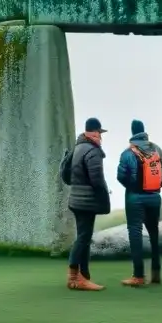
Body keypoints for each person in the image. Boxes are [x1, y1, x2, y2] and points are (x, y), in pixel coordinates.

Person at [116, 119, 162, 286]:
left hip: (135, 198)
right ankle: (156, 273)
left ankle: (138, 276)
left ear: (132, 133)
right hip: (154, 197)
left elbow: (120, 176)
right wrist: (155, 187)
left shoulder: (128, 153)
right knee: (154, 234)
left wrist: (133, 188)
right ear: (144, 131)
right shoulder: (157, 149)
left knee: (135, 233)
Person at [60, 118, 112, 291]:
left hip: (76, 199)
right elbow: (96, 179)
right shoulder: (92, 150)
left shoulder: (78, 147)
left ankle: (84, 276)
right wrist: (104, 195)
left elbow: (73, 176)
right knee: (83, 238)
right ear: (93, 132)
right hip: (86, 202)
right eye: (99, 133)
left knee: (84, 237)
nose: (100, 137)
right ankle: (74, 277)